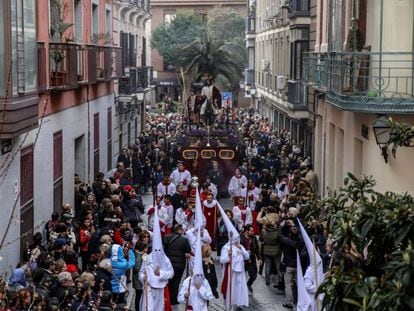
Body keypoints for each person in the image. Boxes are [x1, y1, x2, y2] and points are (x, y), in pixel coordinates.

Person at [139, 206, 174, 311]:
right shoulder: (147, 258)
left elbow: (171, 273)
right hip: (149, 287)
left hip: (161, 287)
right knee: (148, 308)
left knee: (159, 308)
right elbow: (141, 272)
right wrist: (143, 278)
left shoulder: (165, 259)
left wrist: (161, 274)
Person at [219, 203, 250, 310]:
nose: (237, 240)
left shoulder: (240, 246)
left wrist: (241, 248)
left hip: (240, 271)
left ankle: (239, 303)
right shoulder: (226, 248)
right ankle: (229, 304)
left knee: (239, 288)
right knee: (230, 289)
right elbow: (222, 260)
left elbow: (246, 256)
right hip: (231, 271)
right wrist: (229, 256)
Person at [177, 227, 214, 311]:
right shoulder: (188, 282)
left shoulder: (204, 282)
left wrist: (200, 288)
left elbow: (209, 296)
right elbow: (180, 298)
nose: (198, 277)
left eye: (200, 275)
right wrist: (185, 296)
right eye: (196, 275)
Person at [163, 224, 192, 306]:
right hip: (179, 264)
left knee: (168, 281)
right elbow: (188, 250)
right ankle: (173, 299)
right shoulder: (184, 240)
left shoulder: (166, 237)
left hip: (168, 263)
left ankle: (167, 298)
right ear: (180, 230)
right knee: (176, 281)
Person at [240, 224, 262, 293]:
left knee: (254, 275)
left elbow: (257, 249)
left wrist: (259, 258)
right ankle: (241, 289)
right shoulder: (240, 238)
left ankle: (249, 284)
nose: (253, 232)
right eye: (251, 231)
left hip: (251, 259)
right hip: (242, 260)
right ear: (246, 231)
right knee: (241, 276)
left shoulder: (253, 238)